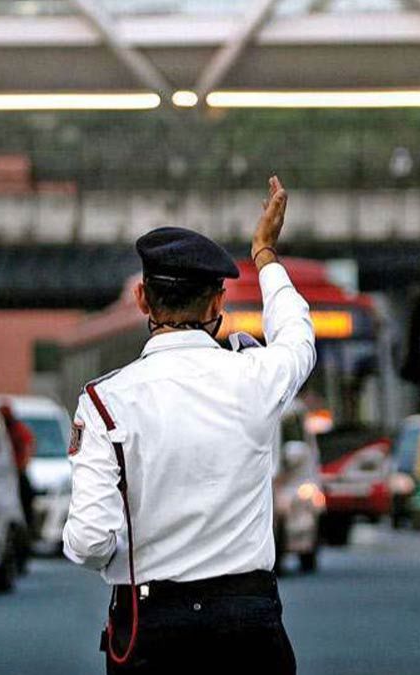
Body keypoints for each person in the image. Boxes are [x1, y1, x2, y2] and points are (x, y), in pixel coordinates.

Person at [63, 176, 313, 674]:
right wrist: (264, 254)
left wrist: (128, 555)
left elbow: (87, 541)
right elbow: (297, 337)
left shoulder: (105, 402)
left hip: (153, 627)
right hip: (248, 625)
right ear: (218, 304)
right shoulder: (253, 378)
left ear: (142, 299)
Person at [0, 401, 36, 533]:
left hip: (17, 472)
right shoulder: (2, 431)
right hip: (7, 473)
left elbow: (27, 447)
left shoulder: (17, 429)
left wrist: (21, 465)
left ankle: (28, 530)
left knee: (24, 501)